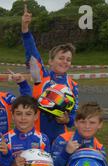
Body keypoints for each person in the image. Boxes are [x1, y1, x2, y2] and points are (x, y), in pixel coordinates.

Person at [21, 5, 79, 144]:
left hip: (60, 138)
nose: (64, 62)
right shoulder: (41, 78)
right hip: (37, 137)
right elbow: (32, 53)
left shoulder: (73, 85)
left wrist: (67, 120)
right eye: (61, 58)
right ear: (51, 61)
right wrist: (25, 29)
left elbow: (74, 114)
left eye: (68, 59)